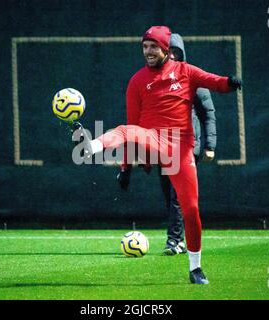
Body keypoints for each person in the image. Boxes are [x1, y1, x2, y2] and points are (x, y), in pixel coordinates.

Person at [73, 26, 242, 284]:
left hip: (181, 147)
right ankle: (91, 147)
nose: (148, 51)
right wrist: (126, 166)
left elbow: (214, 81)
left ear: (166, 49)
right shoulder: (137, 80)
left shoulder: (186, 71)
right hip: (151, 138)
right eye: (145, 46)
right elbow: (131, 126)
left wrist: (230, 83)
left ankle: (195, 269)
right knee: (126, 128)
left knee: (192, 210)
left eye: (153, 46)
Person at [117, 33, 218, 256]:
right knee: (169, 194)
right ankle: (178, 238)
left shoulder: (191, 77)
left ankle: (174, 241)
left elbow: (207, 113)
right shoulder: (151, 81)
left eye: (174, 52)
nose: (171, 55)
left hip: (185, 147)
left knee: (177, 196)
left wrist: (210, 145)